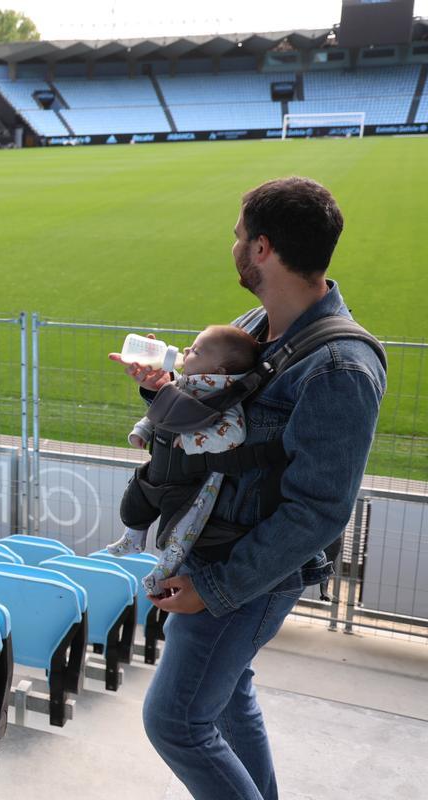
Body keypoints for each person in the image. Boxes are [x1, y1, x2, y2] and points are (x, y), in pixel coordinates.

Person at [111, 177, 386, 800]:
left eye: (238, 235)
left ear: (261, 248)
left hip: (243, 574)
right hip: (215, 558)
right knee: (230, 698)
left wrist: (214, 587)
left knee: (176, 721)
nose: (231, 244)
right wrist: (160, 389)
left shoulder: (341, 366)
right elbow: (212, 417)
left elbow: (318, 511)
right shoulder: (256, 325)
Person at [107, 324, 260, 596]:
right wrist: (142, 430)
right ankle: (133, 536)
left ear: (219, 371)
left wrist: (191, 441)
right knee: (137, 494)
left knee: (178, 529)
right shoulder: (183, 382)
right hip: (161, 467)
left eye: (197, 351)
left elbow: (233, 434)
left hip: (191, 483)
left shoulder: (224, 396)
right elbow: (160, 411)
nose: (187, 350)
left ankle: (163, 571)